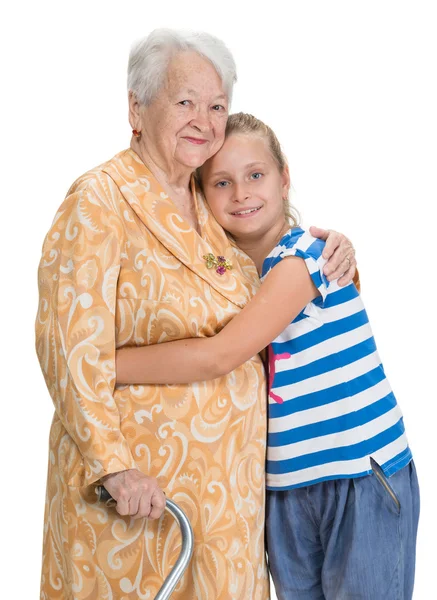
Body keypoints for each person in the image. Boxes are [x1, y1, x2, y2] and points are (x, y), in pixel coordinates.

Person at [35, 29, 356, 599]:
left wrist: (340, 255)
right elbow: (69, 347)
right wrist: (113, 468)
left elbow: (274, 294)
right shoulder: (100, 201)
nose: (204, 121)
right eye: (185, 102)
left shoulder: (210, 208)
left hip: (228, 509)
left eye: (217, 106)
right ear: (136, 108)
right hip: (141, 503)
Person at [116, 112, 420, 600]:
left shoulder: (308, 256)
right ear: (200, 195)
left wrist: (103, 364)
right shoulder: (229, 281)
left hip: (358, 477)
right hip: (285, 489)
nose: (241, 193)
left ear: (284, 180)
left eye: (255, 175)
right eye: (221, 182)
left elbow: (220, 355)